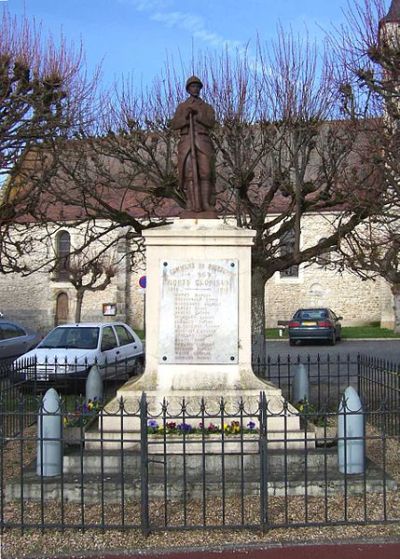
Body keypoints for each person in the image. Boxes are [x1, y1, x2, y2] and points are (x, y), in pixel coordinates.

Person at [171, 76, 217, 215]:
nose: (195, 89)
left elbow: (211, 123)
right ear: (188, 89)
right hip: (186, 141)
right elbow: (174, 124)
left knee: (206, 172)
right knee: (189, 173)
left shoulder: (207, 107)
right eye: (192, 86)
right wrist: (185, 115)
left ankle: (205, 203)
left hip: (202, 140)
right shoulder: (182, 106)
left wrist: (198, 114)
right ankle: (191, 203)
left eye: (197, 86)